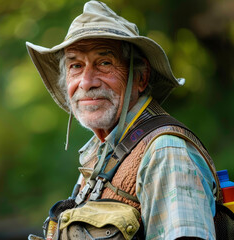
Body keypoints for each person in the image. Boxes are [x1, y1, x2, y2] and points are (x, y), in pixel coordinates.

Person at [26, 1, 220, 239]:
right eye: (75, 66)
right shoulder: (101, 153)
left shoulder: (165, 152)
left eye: (104, 63)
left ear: (141, 77)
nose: (87, 82)